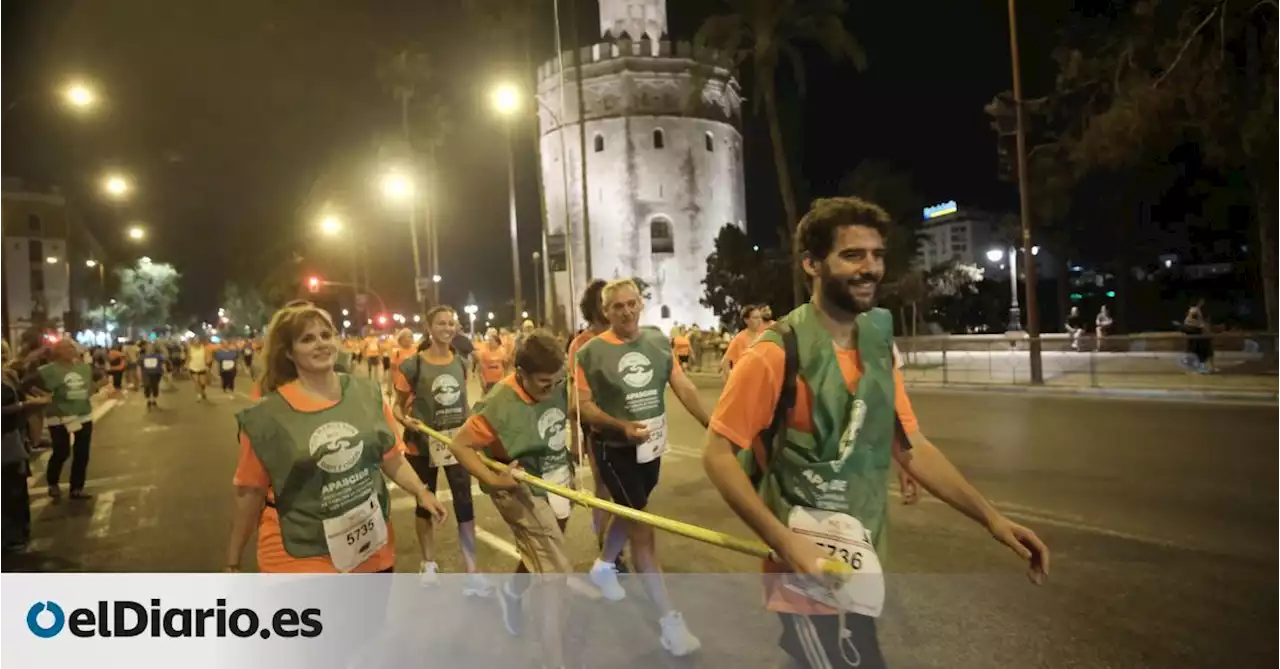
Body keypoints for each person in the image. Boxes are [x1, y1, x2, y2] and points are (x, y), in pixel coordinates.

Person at [702, 197, 1050, 669]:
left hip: (858, 563)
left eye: (877, 255)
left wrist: (992, 519)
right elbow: (718, 454)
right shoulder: (773, 354)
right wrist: (783, 541)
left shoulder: (877, 348)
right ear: (811, 263)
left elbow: (912, 447)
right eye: (852, 255)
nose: (870, 268)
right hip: (803, 575)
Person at [225, 303, 446, 573]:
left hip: (370, 547)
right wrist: (233, 560)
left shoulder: (367, 394)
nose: (320, 344)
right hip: (301, 554)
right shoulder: (267, 416)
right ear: (289, 353)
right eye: (307, 339)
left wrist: (422, 492)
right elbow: (250, 491)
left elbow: (389, 456)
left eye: (325, 335)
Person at [572, 278, 709, 657]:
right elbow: (582, 406)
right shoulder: (590, 353)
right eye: (618, 306)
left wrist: (709, 425)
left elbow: (682, 385)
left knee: (631, 513)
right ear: (606, 311)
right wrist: (620, 427)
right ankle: (670, 623)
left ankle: (603, 565)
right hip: (613, 448)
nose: (628, 311)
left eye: (633, 304)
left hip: (652, 448)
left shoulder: (656, 340)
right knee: (642, 526)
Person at [448, 330, 575, 663]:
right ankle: (555, 660)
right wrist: (493, 478)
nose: (553, 389)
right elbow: (459, 445)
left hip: (555, 478)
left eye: (557, 381)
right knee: (555, 573)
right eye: (545, 383)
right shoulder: (498, 404)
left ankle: (513, 592)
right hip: (519, 488)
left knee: (544, 552)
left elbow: (561, 416)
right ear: (521, 374)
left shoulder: (558, 382)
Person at [393, 306, 492, 595]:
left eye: (452, 323)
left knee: (465, 504)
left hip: (454, 445)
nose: (447, 328)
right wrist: (405, 420)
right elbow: (397, 405)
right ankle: (428, 563)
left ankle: (472, 572)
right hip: (421, 445)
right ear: (429, 327)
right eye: (441, 323)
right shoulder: (413, 365)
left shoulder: (461, 362)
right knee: (425, 504)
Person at [27, 338, 107, 500]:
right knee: (62, 451)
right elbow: (26, 385)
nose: (71, 350)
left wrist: (96, 387)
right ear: (57, 352)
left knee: (82, 453)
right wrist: (42, 396)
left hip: (83, 414)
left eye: (72, 347)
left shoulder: (84, 368)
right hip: (59, 417)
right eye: (66, 347)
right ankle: (53, 482)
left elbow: (96, 382)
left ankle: (77, 488)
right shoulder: (46, 371)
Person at [1, 362, 50, 552]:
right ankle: (12, 535)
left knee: (15, 487)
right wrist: (25, 404)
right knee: (10, 488)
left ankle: (18, 532)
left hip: (13, 437)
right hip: (5, 440)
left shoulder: (9, 376)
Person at [721, 304, 764, 376]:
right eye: (755, 318)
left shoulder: (763, 336)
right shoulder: (739, 338)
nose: (759, 320)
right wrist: (733, 379)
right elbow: (724, 363)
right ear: (746, 320)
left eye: (760, 317)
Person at [474, 329, 508, 395]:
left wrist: (505, 379)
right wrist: (482, 381)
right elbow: (480, 368)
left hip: (499, 381)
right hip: (488, 381)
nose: (489, 342)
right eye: (489, 340)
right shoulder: (484, 352)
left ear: (497, 343)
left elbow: (506, 366)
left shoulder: (502, 351)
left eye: (491, 341)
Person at [139, 342, 166, 410]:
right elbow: (139, 366)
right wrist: (139, 375)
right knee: (147, 386)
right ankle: (148, 400)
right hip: (146, 374)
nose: (150, 348)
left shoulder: (158, 356)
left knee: (154, 386)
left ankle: (154, 400)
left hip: (156, 374)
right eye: (148, 347)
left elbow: (163, 364)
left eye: (152, 347)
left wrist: (165, 372)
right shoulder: (142, 357)